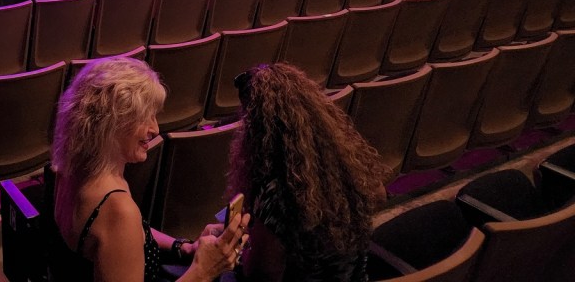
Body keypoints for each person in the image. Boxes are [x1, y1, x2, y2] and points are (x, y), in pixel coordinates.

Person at [50, 56, 248, 282]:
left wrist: (183, 248)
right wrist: (205, 270)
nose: (155, 128)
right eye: (144, 118)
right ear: (112, 124)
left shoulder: (72, 166)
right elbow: (122, 228)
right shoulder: (118, 210)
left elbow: (132, 234)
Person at [227, 64, 388, 282]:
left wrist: (241, 248)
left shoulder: (279, 192)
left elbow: (260, 275)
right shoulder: (346, 161)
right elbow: (379, 196)